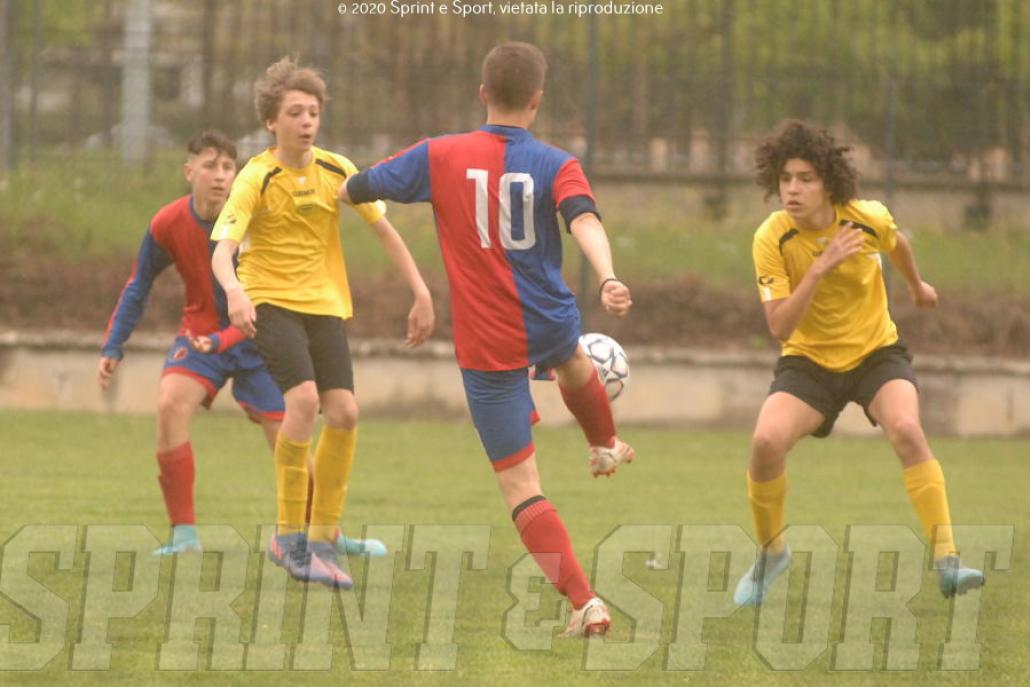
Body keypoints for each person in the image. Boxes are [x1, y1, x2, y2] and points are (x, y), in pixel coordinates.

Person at [340, 42, 633, 637]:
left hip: (487, 338)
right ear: (537, 99)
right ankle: (604, 443)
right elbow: (583, 219)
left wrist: (341, 186)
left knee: (521, 487)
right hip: (547, 317)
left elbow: (360, 187)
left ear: (482, 93)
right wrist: (607, 276)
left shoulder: (439, 154)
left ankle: (585, 603)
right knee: (573, 358)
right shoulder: (557, 162)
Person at [734, 119, 985, 606]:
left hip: (875, 355)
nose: (792, 189)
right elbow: (780, 327)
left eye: (805, 179)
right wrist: (819, 269)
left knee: (907, 430)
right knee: (765, 443)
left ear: (828, 182)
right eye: (785, 179)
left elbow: (897, 242)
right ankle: (771, 553)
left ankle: (948, 561)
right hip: (808, 362)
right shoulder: (772, 237)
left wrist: (917, 286)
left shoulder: (867, 218)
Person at [211, 57, 434, 589]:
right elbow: (222, 250)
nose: (306, 121)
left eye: (313, 111)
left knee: (346, 413)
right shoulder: (256, 176)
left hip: (325, 305)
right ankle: (289, 540)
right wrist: (235, 291)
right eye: (295, 112)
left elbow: (385, 232)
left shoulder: (338, 170)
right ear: (272, 121)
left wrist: (422, 291)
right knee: (304, 401)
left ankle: (322, 536)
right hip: (270, 301)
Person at [98, 131, 283, 556]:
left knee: (289, 443)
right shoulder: (168, 222)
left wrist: (221, 339)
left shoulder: (254, 222)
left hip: (258, 341)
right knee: (169, 405)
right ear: (189, 172)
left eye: (228, 167)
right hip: (199, 335)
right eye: (210, 166)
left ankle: (324, 532)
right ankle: (184, 535)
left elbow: (266, 300)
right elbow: (138, 284)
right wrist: (113, 345)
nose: (220, 176)